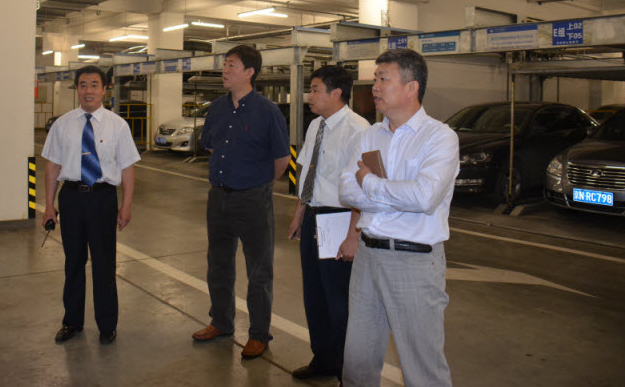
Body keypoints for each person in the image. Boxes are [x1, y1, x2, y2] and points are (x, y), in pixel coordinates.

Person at [339, 49, 459, 387]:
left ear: (411, 86)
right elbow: (346, 190)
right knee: (357, 362)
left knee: (422, 368)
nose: (374, 87)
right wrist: (391, 195)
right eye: (375, 79)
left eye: (383, 79)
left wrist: (370, 183)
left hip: (414, 261)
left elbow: (424, 197)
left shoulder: (439, 137)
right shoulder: (369, 135)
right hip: (367, 256)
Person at [191, 45, 290, 360]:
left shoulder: (268, 111)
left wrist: (256, 182)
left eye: (231, 65)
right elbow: (210, 145)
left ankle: (259, 334)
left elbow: (282, 160)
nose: (224, 70)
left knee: (259, 268)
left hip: (253, 199)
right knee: (218, 264)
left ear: (249, 72)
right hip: (219, 197)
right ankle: (221, 322)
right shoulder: (217, 108)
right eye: (224, 64)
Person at [42, 65, 140, 345]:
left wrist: (126, 206)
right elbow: (52, 167)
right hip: (71, 198)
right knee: (73, 262)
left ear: (104, 89)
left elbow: (128, 168)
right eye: (83, 85)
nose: (88, 91)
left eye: (94, 85)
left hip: (102, 198)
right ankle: (71, 322)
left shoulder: (117, 125)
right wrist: (48, 206)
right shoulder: (62, 124)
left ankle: (107, 325)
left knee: (104, 263)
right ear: (76, 89)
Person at [287, 65, 370, 383]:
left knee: (339, 299)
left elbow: (365, 186)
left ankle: (348, 370)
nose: (309, 95)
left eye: (315, 89)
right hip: (314, 216)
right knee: (315, 294)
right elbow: (309, 171)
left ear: (337, 93)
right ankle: (323, 358)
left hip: (340, 218)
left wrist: (353, 234)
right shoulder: (315, 126)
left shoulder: (358, 129)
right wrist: (299, 214)